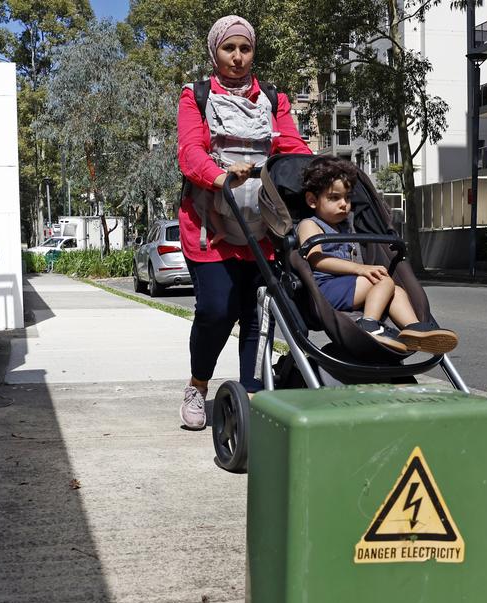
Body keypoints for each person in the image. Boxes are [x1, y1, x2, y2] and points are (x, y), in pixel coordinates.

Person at [177, 15, 311, 430]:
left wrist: (319, 172)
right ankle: (198, 386)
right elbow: (189, 151)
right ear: (214, 52)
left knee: (258, 313)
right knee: (217, 310)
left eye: (245, 48)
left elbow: (291, 144)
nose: (237, 57)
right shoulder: (195, 96)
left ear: (253, 52)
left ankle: (251, 394)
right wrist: (220, 177)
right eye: (228, 48)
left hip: (262, 228)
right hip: (210, 227)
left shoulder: (273, 97)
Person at [298, 156, 459, 355]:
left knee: (396, 290)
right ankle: (369, 324)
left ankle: (414, 329)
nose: (344, 204)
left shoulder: (343, 228)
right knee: (383, 282)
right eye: (334, 198)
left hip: (348, 286)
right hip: (325, 289)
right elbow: (316, 259)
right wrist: (360, 268)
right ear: (312, 200)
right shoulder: (309, 224)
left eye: (347, 198)